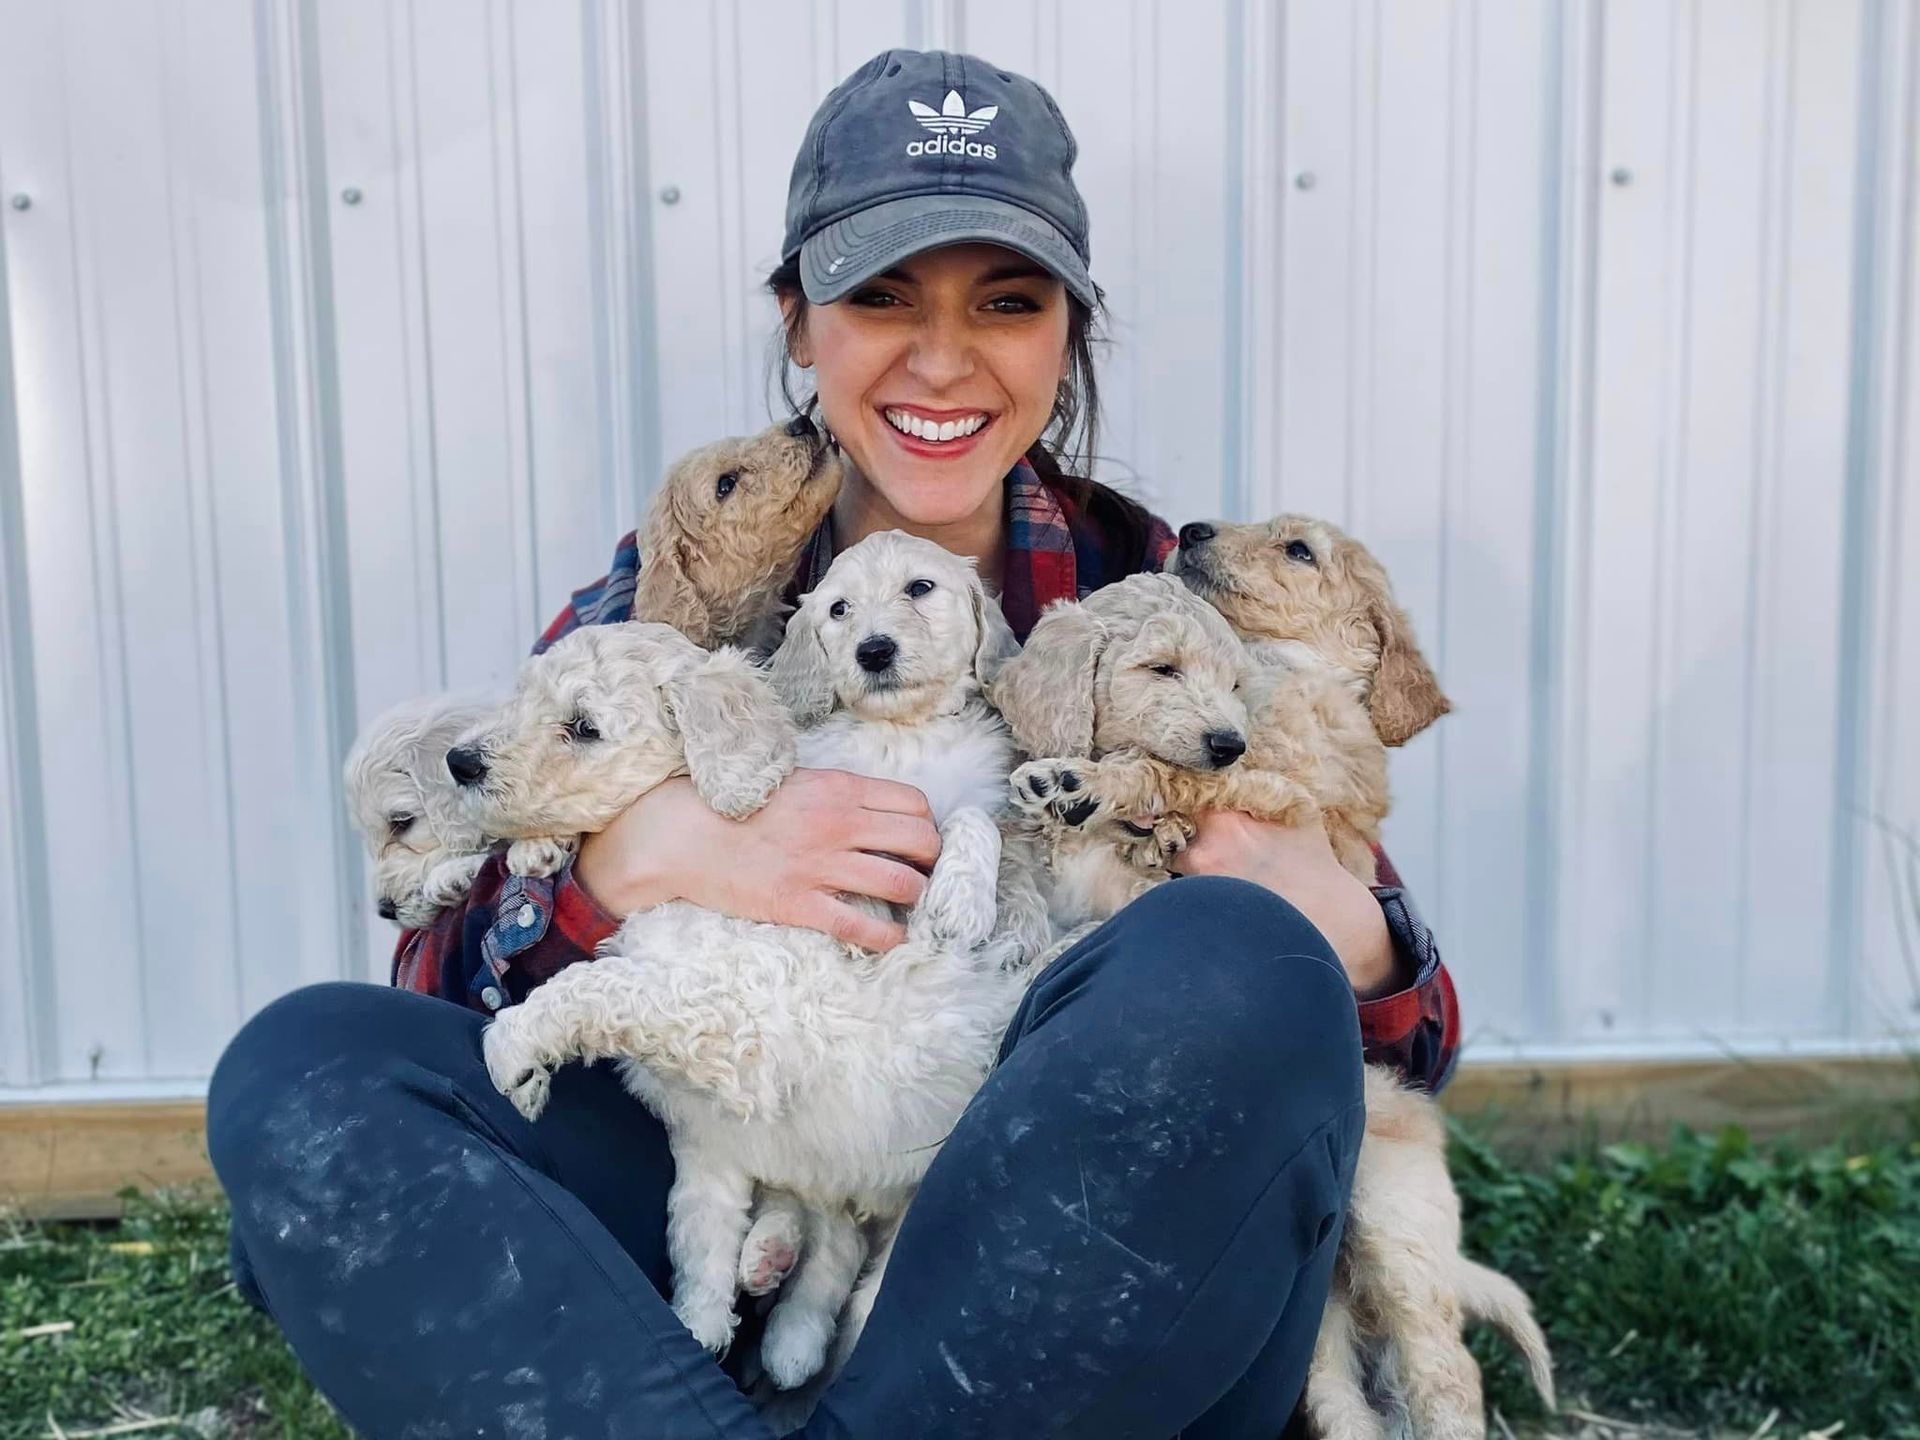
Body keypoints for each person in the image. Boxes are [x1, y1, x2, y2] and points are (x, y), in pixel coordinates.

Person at [208, 49, 1458, 1439]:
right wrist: (634, 860)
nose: (941, 358)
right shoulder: (679, 597)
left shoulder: (1158, 602)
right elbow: (450, 982)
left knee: (1241, 963)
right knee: (308, 1067)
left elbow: (1385, 1055)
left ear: (1068, 334)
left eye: (1006, 301)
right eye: (879, 298)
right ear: (800, 323)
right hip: (748, 1181)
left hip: (1032, 1248)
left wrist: (1358, 940)